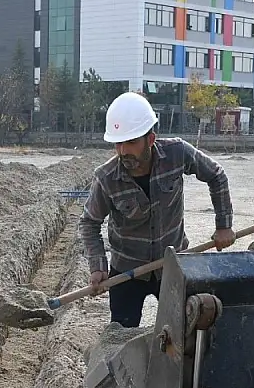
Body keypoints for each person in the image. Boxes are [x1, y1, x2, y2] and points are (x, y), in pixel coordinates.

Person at [77, 91, 235, 328]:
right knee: (121, 338)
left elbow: (216, 175)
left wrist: (224, 226)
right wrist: (98, 267)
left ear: (150, 140)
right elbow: (89, 223)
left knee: (185, 334)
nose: (122, 151)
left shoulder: (177, 153)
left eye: (130, 142)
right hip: (126, 271)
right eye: (117, 143)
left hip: (174, 264)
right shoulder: (106, 178)